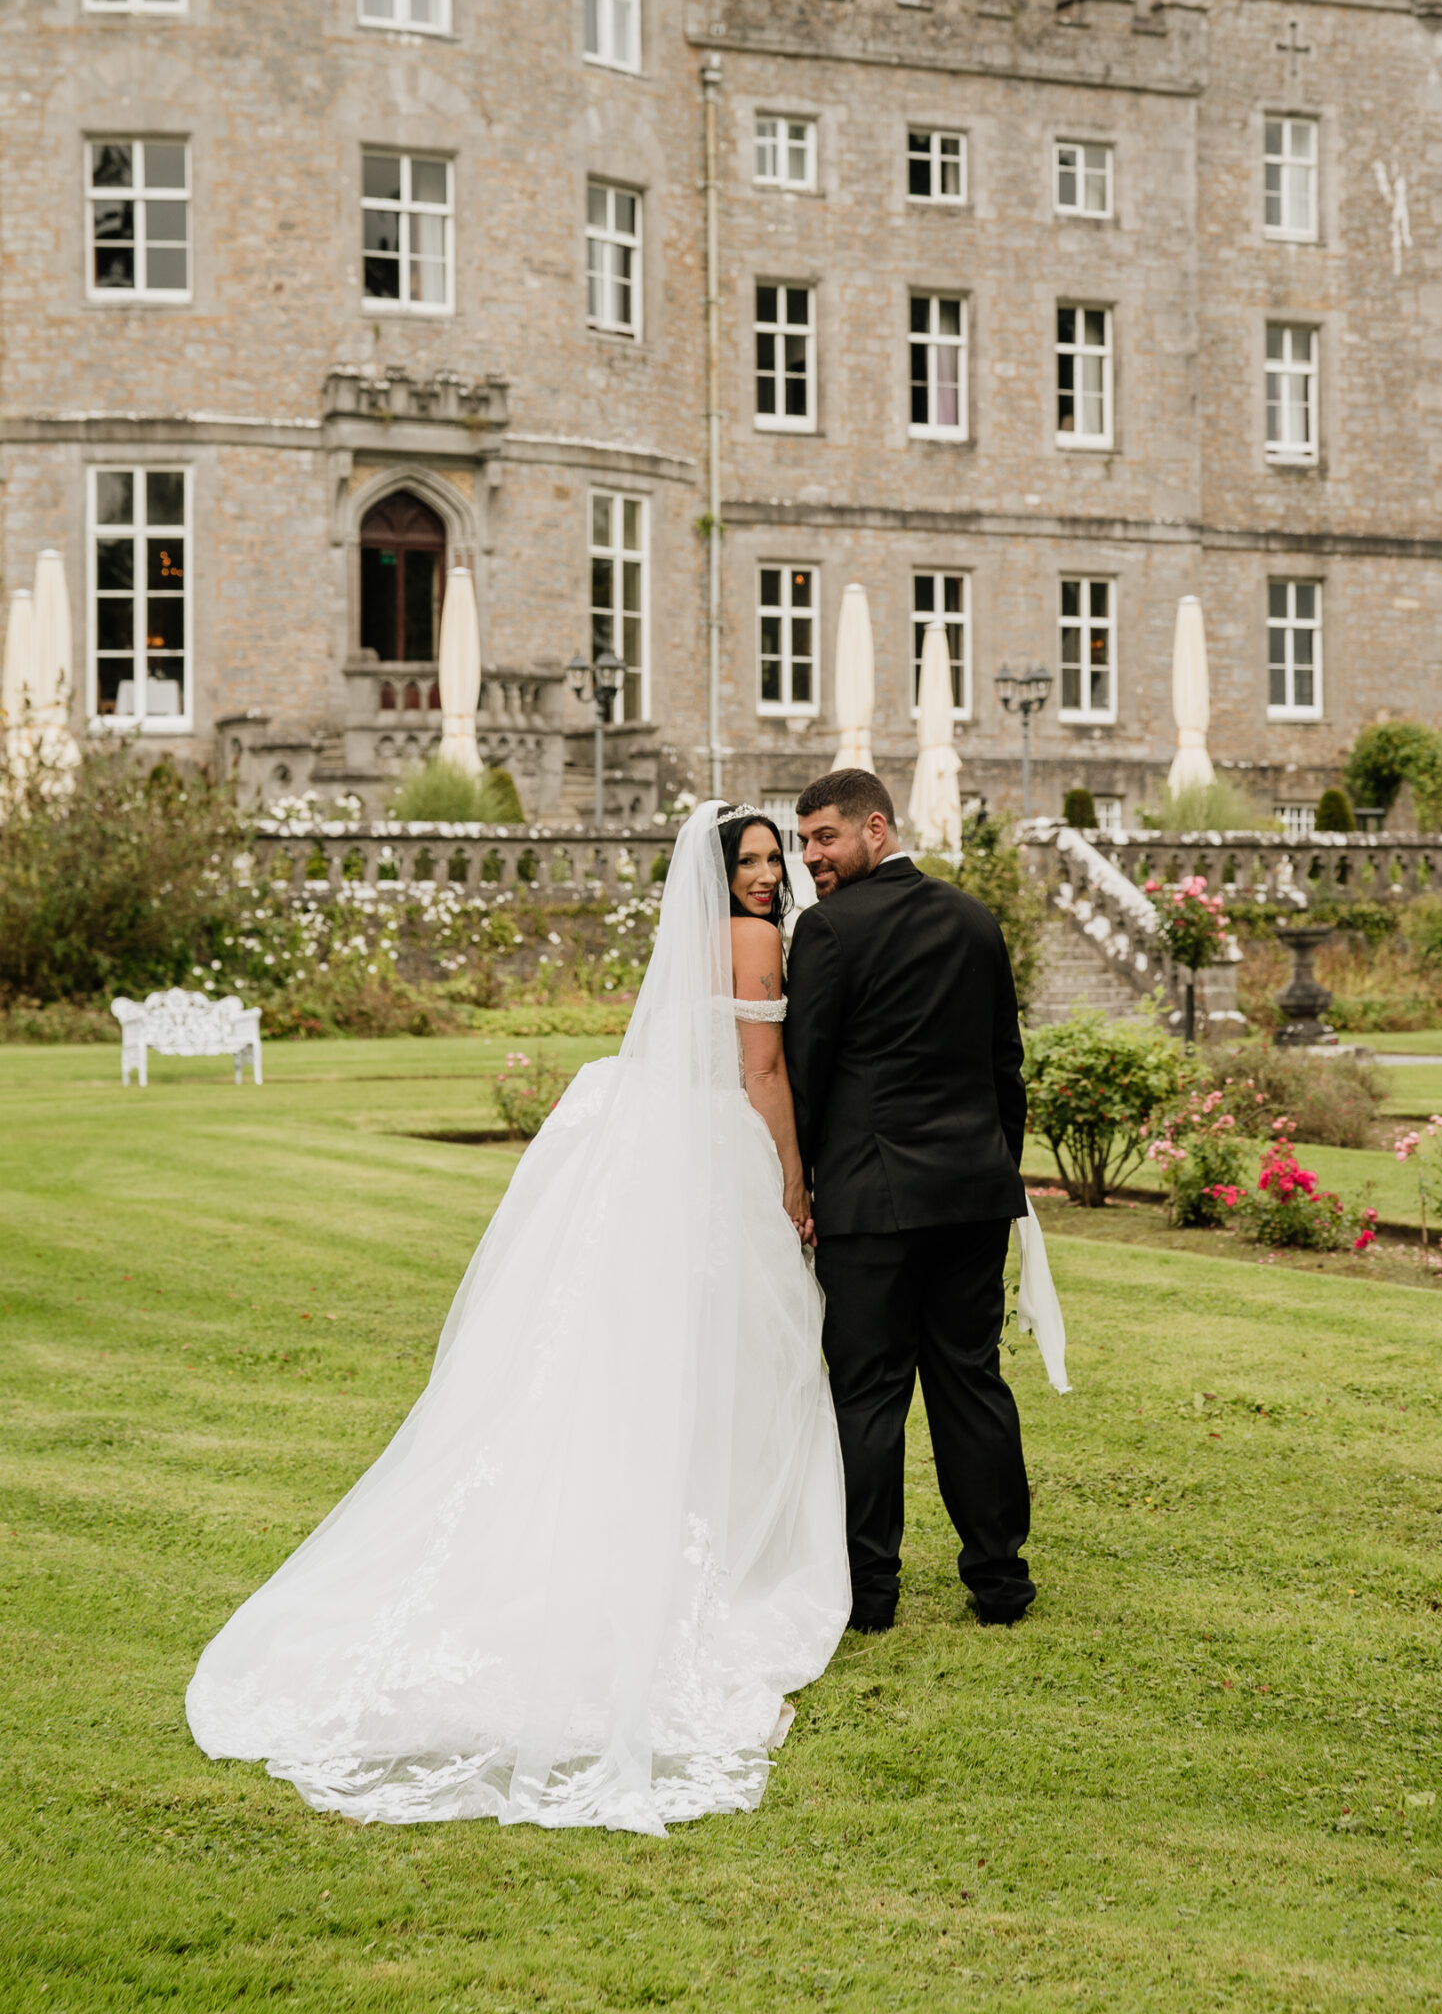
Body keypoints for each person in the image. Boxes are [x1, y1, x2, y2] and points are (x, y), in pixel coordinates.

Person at [185, 803, 849, 1835]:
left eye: (775, 859)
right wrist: (793, 1186)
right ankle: (730, 1546)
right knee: (740, 1353)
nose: (767, 874)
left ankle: (669, 1517)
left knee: (642, 1352)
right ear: (716, 871)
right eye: (751, 859)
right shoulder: (758, 939)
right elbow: (762, 1075)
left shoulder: (693, 939)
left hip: (658, 1142)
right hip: (722, 1150)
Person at [784, 767, 1044, 1633]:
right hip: (973, 1191)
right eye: (803, 839)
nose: (810, 855)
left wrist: (808, 1177)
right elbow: (1005, 1068)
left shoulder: (825, 932)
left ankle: (870, 1594)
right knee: (971, 1381)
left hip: (871, 1198)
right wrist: (993, 1165)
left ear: (877, 830)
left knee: (869, 1394)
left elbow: (806, 1073)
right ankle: (999, 1583)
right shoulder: (975, 919)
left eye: (826, 837)